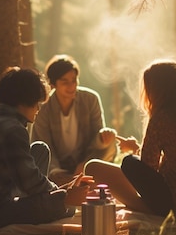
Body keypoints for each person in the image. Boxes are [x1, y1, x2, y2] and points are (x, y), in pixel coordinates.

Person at [85, 60, 176, 222]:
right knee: (129, 163)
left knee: (118, 164)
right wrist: (136, 149)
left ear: (155, 90)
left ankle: (144, 208)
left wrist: (134, 153)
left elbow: (147, 168)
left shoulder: (161, 118)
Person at [0, 67, 90, 229]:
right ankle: (61, 199)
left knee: (39, 150)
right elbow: (30, 182)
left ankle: (56, 197)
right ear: (23, 102)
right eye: (36, 103)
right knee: (66, 207)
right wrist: (64, 195)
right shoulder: (12, 129)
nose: (38, 109)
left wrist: (59, 191)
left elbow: (25, 174)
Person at [32, 54, 118, 186]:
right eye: (65, 82)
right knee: (41, 158)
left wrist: (103, 138)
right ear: (53, 84)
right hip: (56, 167)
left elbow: (96, 139)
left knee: (110, 142)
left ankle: (86, 178)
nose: (71, 86)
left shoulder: (91, 99)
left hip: (85, 162)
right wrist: (56, 171)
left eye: (74, 80)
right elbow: (42, 143)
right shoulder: (43, 108)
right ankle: (70, 183)